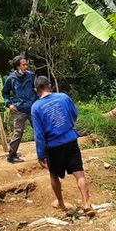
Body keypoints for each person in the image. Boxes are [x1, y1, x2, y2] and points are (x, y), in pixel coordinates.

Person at [30, 76, 95, 215]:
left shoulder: (36, 107)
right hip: (71, 140)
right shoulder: (64, 97)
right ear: (50, 85)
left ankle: (60, 203)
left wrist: (40, 154)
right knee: (79, 174)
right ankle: (87, 203)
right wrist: (68, 125)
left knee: (54, 175)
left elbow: (39, 133)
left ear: (36, 90)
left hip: (53, 147)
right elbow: (74, 114)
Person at [2, 55, 36, 163]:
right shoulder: (11, 79)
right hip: (19, 109)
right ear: (17, 66)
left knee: (39, 129)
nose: (26, 66)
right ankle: (12, 156)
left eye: (26, 64)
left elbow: (36, 89)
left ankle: (46, 152)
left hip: (32, 107)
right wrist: (9, 104)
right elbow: (5, 93)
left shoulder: (31, 75)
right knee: (18, 132)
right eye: (23, 64)